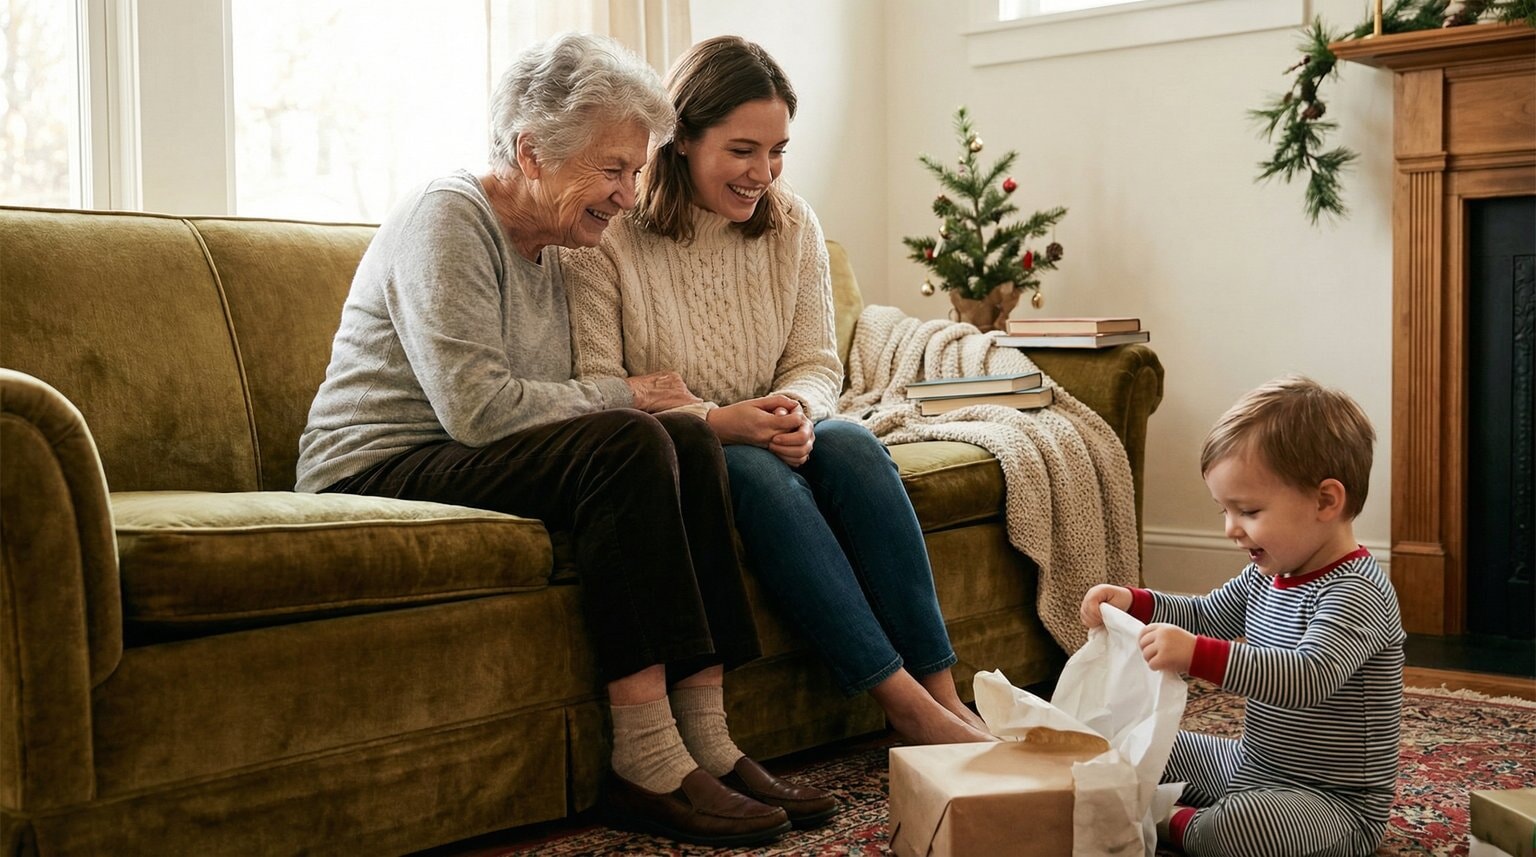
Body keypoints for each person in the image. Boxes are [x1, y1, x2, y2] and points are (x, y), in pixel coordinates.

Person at [295, 33, 834, 848]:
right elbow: (476, 408)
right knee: (632, 436)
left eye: (636, 169)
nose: (627, 194)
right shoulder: (448, 216)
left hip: (462, 452)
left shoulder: (554, 244)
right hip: (376, 463)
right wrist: (630, 396)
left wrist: (661, 408)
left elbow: (544, 407)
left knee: (682, 438)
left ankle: (712, 740)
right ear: (531, 151)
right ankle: (646, 759)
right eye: (612, 169)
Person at [564, 35, 994, 747]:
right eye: (742, 150)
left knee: (853, 441)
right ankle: (905, 708)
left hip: (779, 430)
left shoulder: (792, 224)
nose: (763, 172)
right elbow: (602, 381)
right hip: (690, 449)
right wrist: (718, 419)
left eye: (778, 150)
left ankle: (945, 694)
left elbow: (818, 361)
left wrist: (798, 410)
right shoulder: (611, 235)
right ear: (679, 140)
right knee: (752, 469)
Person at [1079, 375, 1404, 857]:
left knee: (1244, 827)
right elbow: (1207, 614)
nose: (1232, 529)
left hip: (1333, 802)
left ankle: (1170, 821)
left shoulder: (1357, 591)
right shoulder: (1269, 573)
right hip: (1252, 763)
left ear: (1325, 501)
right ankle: (1153, 800)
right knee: (1140, 741)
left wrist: (1196, 656)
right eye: (1223, 511)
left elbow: (1306, 677)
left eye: (1248, 510)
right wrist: (1135, 603)